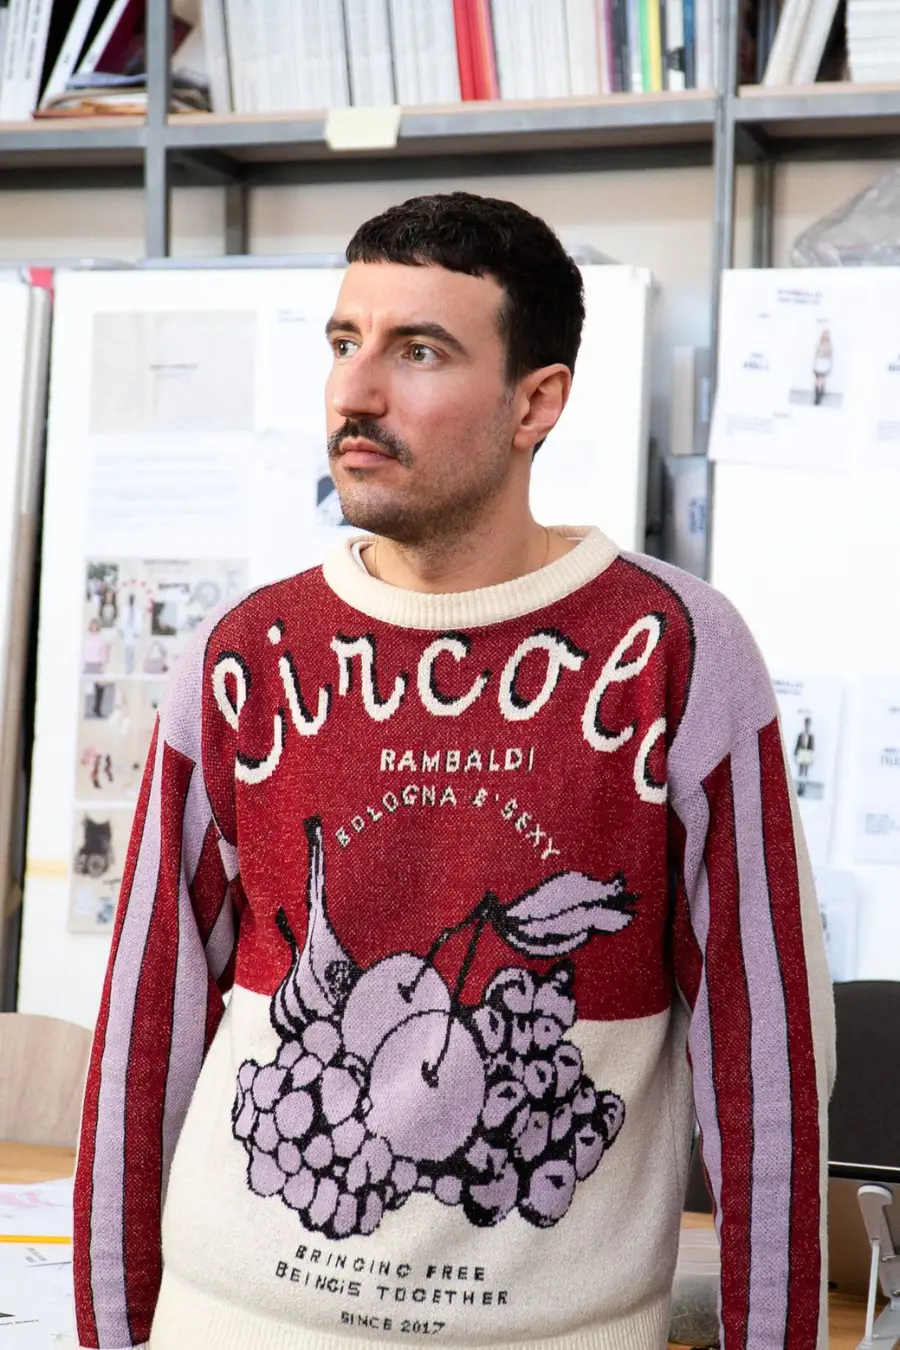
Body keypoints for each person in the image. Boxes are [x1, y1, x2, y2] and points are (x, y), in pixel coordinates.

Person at [74, 192, 835, 1350]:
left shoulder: (675, 652)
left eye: (419, 351)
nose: (356, 391)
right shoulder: (245, 652)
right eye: (345, 342)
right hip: (229, 1320)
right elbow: (144, 1035)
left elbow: (764, 1062)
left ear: (538, 402)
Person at [795, 715, 816, 796]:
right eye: (806, 723)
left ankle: (803, 788)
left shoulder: (811, 736)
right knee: (800, 771)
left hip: (807, 754)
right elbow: (797, 745)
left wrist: (811, 758)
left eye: (808, 723)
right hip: (801, 753)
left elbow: (812, 748)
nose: (807, 725)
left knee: (805, 772)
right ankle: (799, 788)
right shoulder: (801, 734)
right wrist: (795, 755)